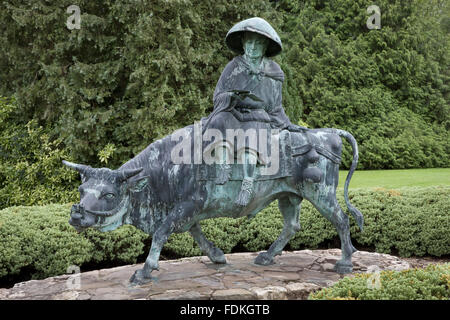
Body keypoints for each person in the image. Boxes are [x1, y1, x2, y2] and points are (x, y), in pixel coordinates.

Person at [203, 17, 306, 206]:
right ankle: (223, 165)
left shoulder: (274, 72)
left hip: (257, 116)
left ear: (265, 46)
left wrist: (288, 125)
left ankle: (247, 184)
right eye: (249, 42)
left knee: (252, 140)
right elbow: (218, 97)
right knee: (218, 121)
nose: (252, 47)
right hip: (233, 112)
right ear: (243, 43)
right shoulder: (233, 67)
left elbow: (275, 107)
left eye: (258, 43)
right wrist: (232, 97)